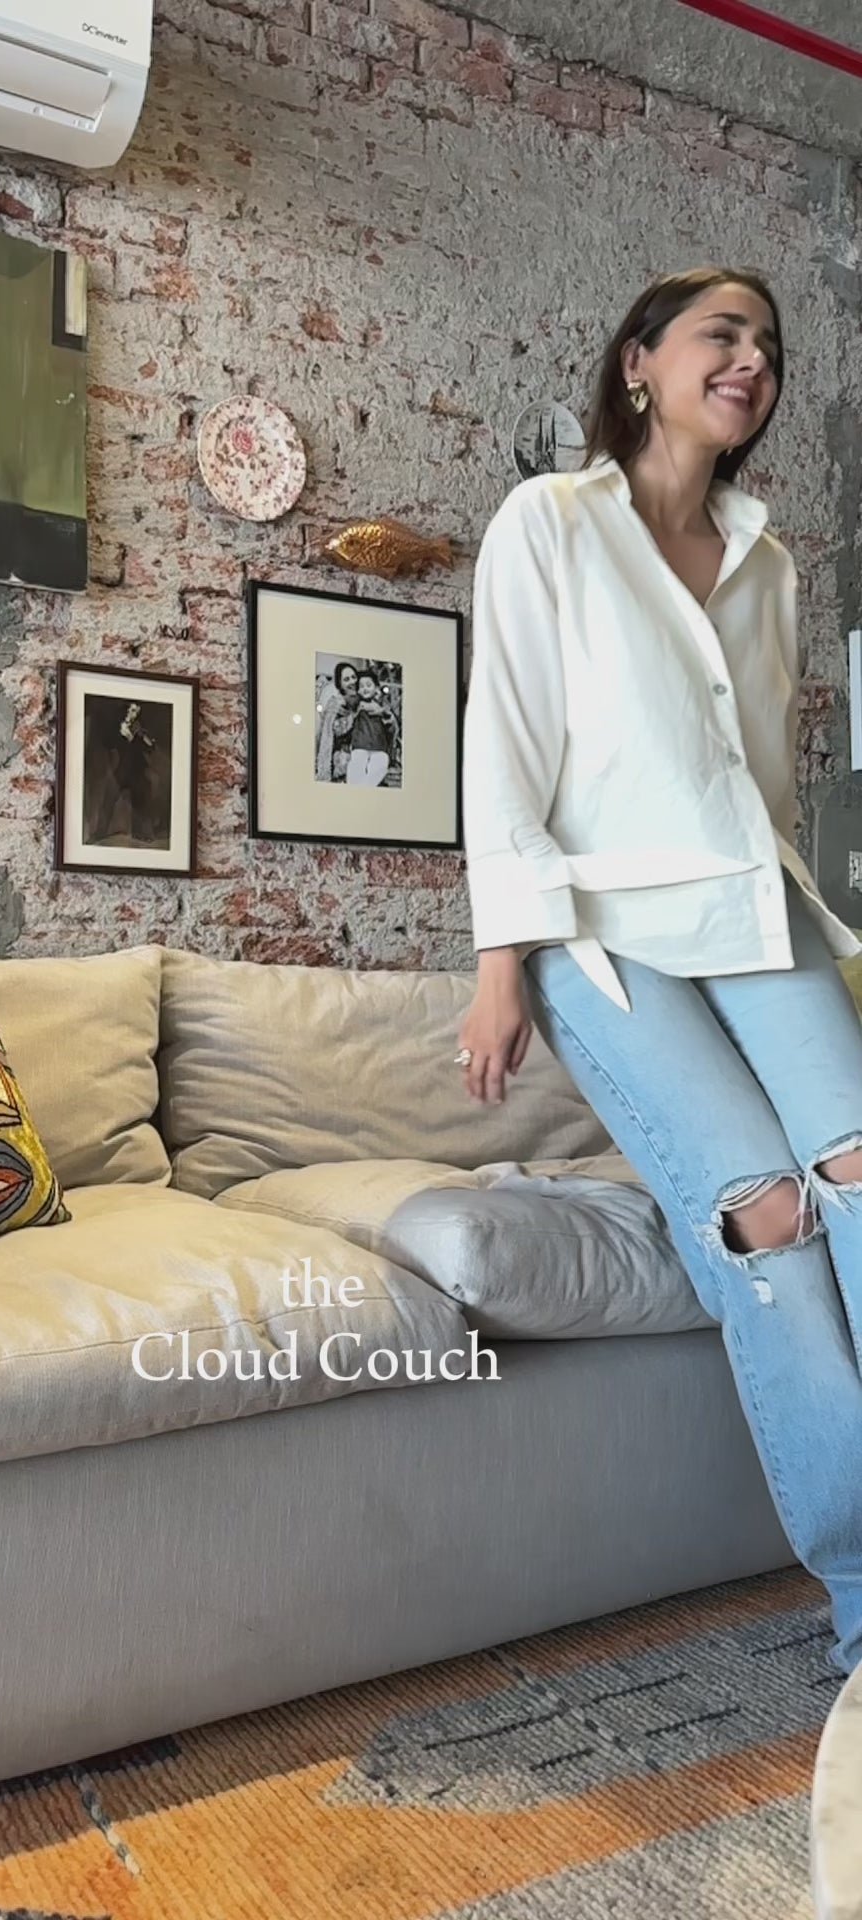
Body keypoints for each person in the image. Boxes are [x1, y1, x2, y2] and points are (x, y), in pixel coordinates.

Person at [458, 265, 862, 1677]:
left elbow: (756, 774)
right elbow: (504, 745)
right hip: (602, 930)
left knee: (860, 1170)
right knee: (765, 1216)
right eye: (721, 333)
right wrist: (502, 962)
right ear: (639, 360)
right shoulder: (550, 522)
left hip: (757, 910)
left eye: (769, 345)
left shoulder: (769, 561)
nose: (752, 359)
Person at [346, 669, 399, 785]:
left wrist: (382, 711)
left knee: (381, 766)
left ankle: (364, 788)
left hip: (379, 746)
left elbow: (391, 725)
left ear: (376, 688)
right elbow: (351, 706)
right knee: (355, 767)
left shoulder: (382, 705)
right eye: (361, 686)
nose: (365, 689)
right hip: (360, 745)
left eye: (369, 685)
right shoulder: (357, 703)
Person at [315, 660, 359, 782]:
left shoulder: (366, 696)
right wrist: (352, 717)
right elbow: (331, 732)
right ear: (340, 684)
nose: (352, 681)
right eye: (346, 679)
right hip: (342, 760)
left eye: (354, 677)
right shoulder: (335, 703)